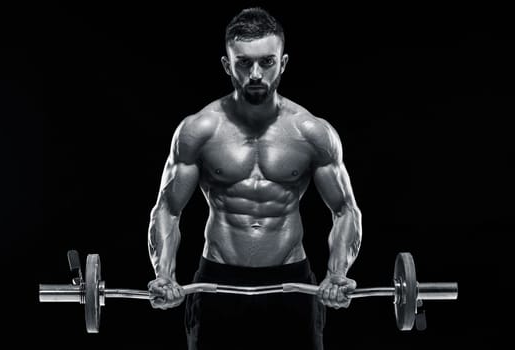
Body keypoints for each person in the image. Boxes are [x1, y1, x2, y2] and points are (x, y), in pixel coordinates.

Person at [147, 7, 362, 350]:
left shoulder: (311, 132)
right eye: (244, 63)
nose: (256, 73)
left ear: (284, 62)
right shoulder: (198, 130)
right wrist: (164, 274)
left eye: (267, 61)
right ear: (226, 64)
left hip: (291, 282)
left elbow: (346, 210)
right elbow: (167, 210)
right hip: (218, 282)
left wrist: (337, 273)